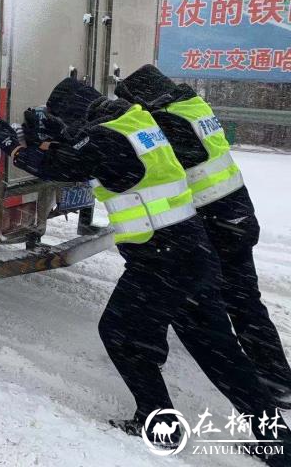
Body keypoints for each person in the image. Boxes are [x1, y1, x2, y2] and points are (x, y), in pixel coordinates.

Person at [0, 78, 290, 464]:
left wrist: (14, 146)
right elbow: (84, 154)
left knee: (120, 334)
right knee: (220, 353)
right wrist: (50, 141)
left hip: (163, 257)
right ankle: (278, 440)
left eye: (64, 120)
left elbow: (61, 164)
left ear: (77, 116)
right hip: (192, 251)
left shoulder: (101, 139)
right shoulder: (136, 123)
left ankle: (160, 425)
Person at [115, 64, 291, 405]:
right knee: (244, 301)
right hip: (236, 215)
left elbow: (157, 166)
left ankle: (255, 379)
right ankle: (275, 376)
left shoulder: (169, 122)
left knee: (194, 303)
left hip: (217, 224)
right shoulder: (192, 106)